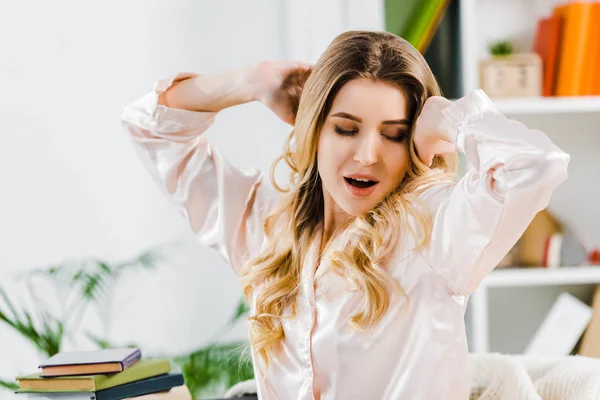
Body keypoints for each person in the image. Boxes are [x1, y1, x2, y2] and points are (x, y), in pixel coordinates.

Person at [121, 31, 569, 399]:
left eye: (394, 135)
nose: (368, 155)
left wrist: (451, 119)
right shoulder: (265, 221)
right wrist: (252, 82)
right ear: (314, 129)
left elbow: (537, 165)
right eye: (346, 129)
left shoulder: (435, 228)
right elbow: (149, 125)